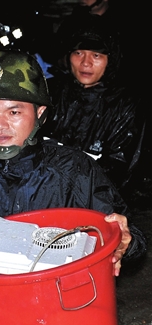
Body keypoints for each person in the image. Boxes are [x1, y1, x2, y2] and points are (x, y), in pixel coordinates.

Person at [0, 50, 147, 301]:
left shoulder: (77, 172)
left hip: (67, 308)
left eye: (14, 112)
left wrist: (125, 242)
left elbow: (134, 244)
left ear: (40, 113)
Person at [42, 16, 146, 193]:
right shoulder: (50, 92)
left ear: (110, 60)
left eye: (96, 55)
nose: (85, 63)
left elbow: (118, 170)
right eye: (78, 53)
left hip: (97, 198)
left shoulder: (124, 105)